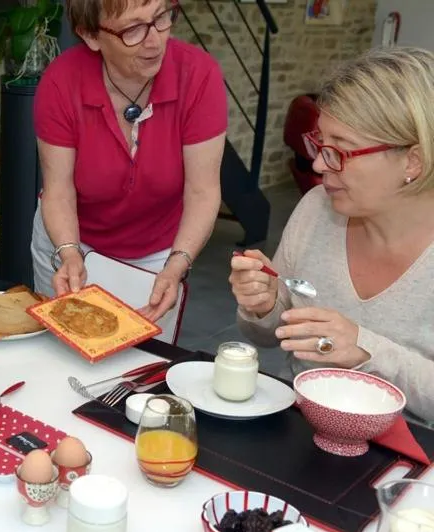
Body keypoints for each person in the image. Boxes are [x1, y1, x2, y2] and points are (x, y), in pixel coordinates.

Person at [230, 47, 434, 423]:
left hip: (406, 452)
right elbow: (269, 335)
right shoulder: (316, 209)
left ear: (413, 161)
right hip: (300, 428)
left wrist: (364, 350)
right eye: (320, 143)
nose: (319, 163)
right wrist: (263, 305)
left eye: (340, 151)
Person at [31, 0, 227, 322]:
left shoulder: (198, 75)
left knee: (144, 351)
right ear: (91, 35)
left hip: (159, 255)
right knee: (66, 343)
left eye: (161, 17)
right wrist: (69, 253)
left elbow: (202, 191)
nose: (155, 41)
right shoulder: (60, 83)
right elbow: (59, 191)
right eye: (133, 29)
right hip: (73, 242)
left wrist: (176, 265)